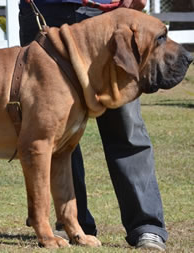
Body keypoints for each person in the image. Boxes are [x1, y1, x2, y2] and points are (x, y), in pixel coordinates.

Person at [18, 0, 168, 251]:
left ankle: (146, 225)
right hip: (46, 9)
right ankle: (70, 224)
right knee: (52, 132)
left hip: (107, 14)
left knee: (125, 126)